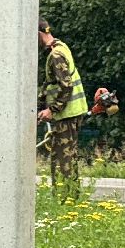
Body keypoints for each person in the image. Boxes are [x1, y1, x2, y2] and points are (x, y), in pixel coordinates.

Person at [37, 18, 88, 202]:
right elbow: (50, 84)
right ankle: (68, 198)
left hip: (67, 115)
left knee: (63, 160)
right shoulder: (60, 46)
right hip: (69, 114)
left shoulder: (56, 55)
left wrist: (52, 110)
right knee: (64, 157)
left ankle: (67, 200)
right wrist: (40, 107)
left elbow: (66, 86)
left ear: (39, 34)